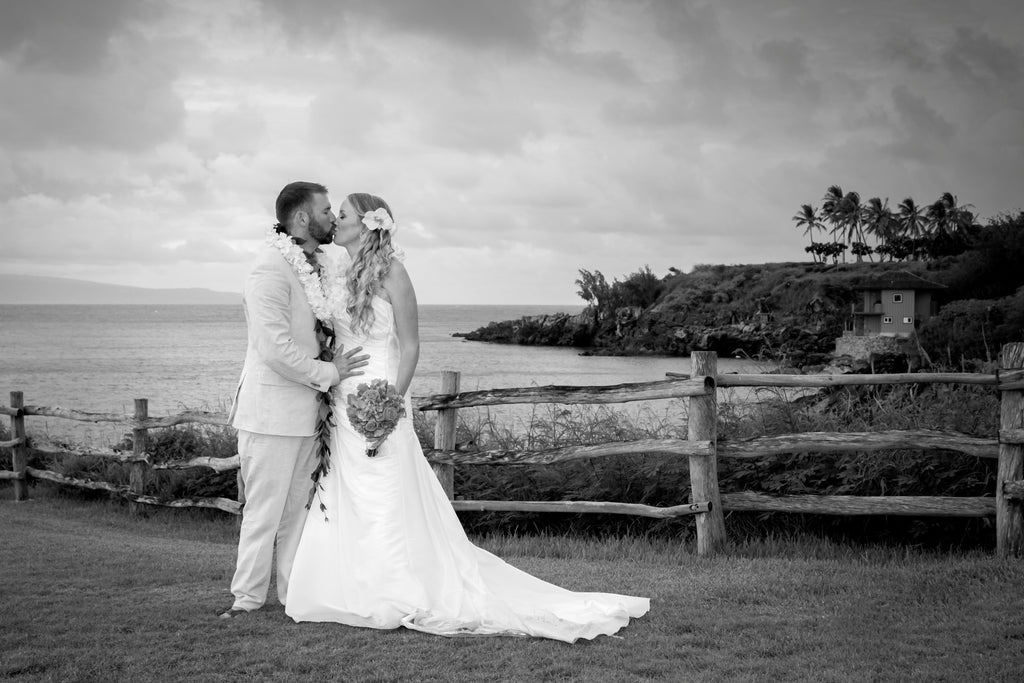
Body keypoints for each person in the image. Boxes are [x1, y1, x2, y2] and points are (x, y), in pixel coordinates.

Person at [285, 193, 649, 642]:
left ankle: (394, 589)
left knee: (383, 490)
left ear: (366, 224)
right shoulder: (336, 271)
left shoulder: (394, 272)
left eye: (341, 215)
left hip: (381, 391)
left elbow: (411, 346)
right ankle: (348, 587)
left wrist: (391, 402)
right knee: (346, 491)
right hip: (343, 395)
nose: (334, 222)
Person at [221, 181, 369, 619]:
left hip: (310, 414)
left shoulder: (321, 264)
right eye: (326, 210)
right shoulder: (269, 267)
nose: (331, 217)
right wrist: (330, 373)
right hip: (269, 414)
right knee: (263, 513)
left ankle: (292, 594)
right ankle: (246, 600)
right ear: (302, 217)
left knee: (298, 514)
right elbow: (274, 348)